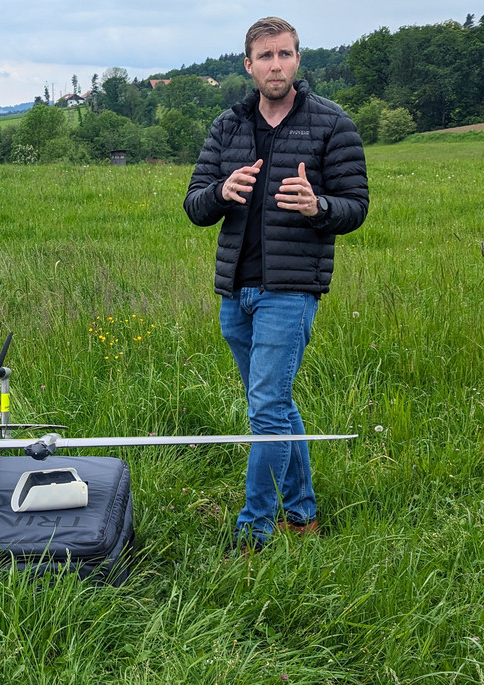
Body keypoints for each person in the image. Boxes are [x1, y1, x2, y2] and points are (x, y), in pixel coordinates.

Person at [183, 16, 368, 552]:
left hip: (291, 290)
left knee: (265, 409)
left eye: (285, 54)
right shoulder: (228, 126)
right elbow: (195, 205)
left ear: (298, 60)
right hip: (236, 292)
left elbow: (356, 207)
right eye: (265, 56)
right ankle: (303, 514)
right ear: (249, 64)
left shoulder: (332, 124)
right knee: (275, 407)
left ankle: (254, 532)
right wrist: (223, 191)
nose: (276, 65)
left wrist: (319, 206)